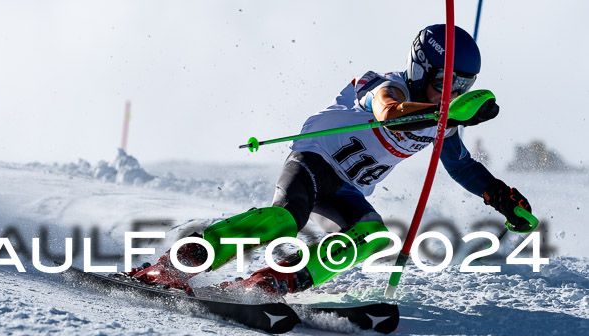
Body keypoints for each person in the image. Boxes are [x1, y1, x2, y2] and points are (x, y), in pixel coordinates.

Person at [130, 24, 532, 297]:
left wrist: (500, 196)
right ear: (420, 67)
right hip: (313, 160)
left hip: (345, 187)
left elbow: (461, 165)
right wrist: (445, 112)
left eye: (461, 88)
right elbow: (388, 112)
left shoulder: (441, 120)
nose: (449, 95)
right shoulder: (384, 84)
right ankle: (174, 265)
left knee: (372, 236)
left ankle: (272, 282)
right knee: (285, 219)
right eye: (445, 83)